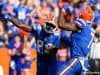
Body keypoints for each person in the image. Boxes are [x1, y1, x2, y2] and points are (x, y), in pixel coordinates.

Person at [56, 3, 95, 75]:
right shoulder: (91, 30)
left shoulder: (82, 23)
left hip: (77, 60)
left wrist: (62, 10)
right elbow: (80, 42)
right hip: (85, 62)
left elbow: (61, 24)